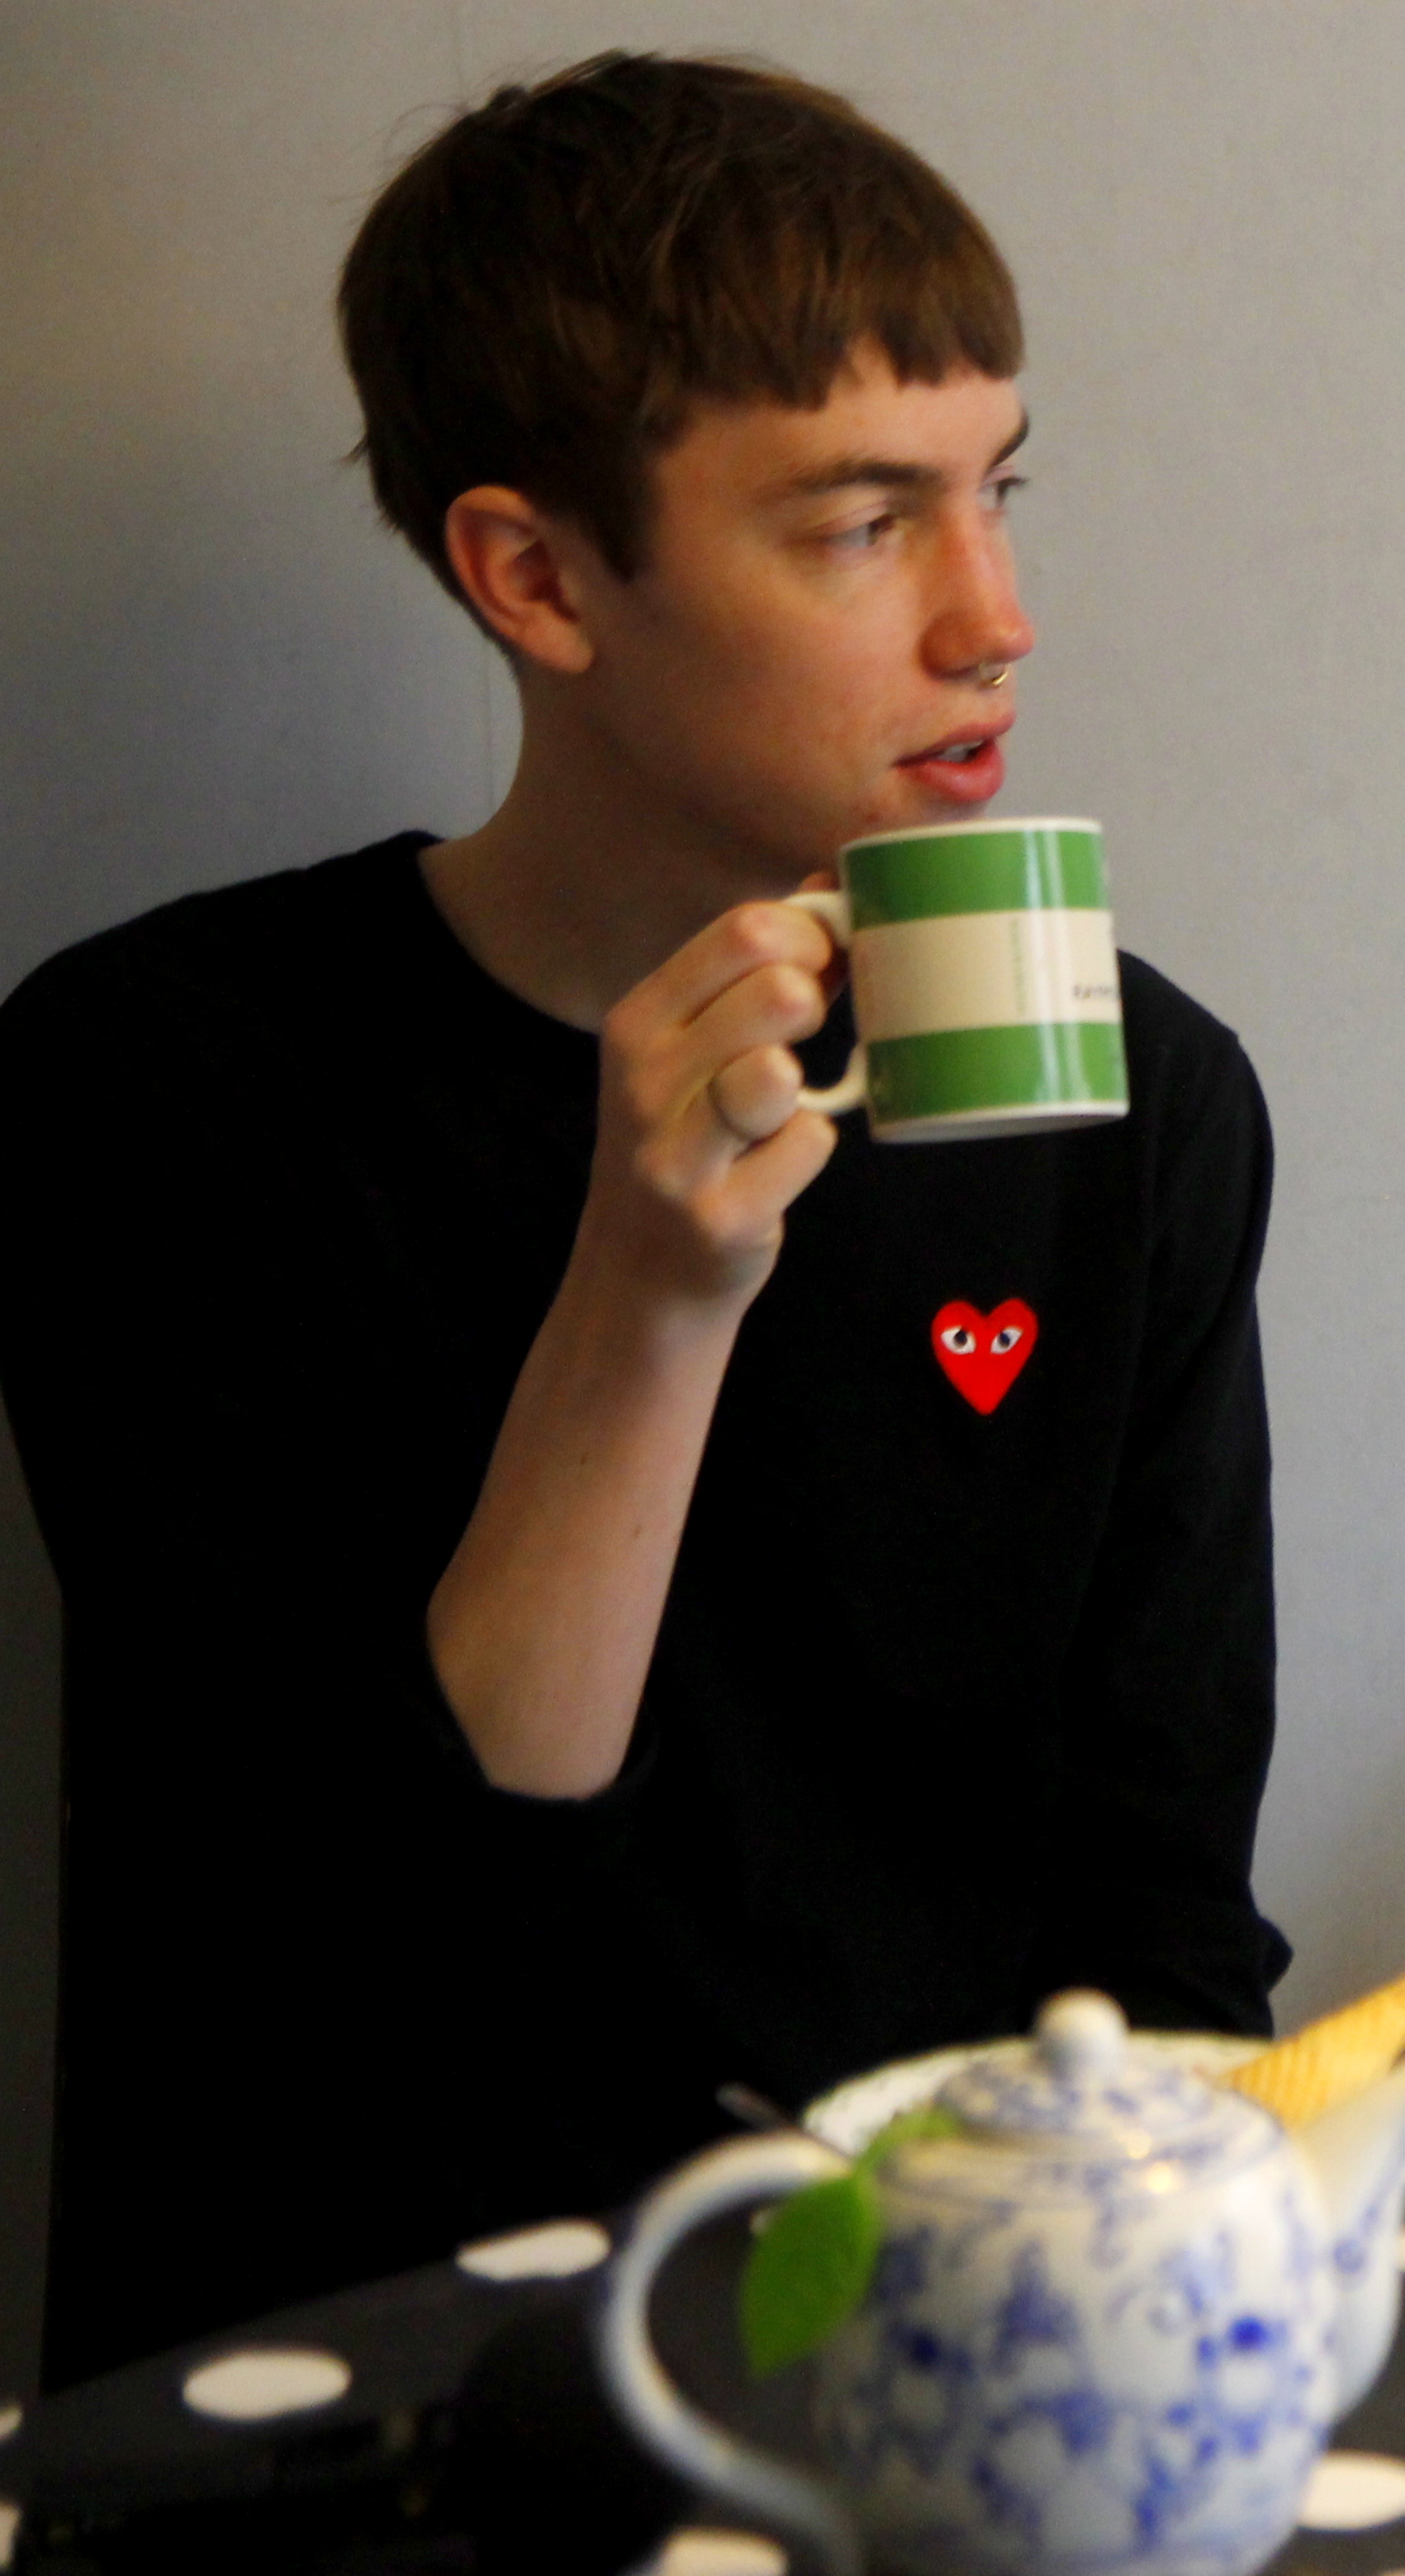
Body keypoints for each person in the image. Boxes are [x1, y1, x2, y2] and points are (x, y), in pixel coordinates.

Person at [0, 54, 1289, 2387]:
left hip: (934, 2363)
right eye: (864, 523)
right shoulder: (156, 1084)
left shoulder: (1140, 1107)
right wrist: (651, 1297)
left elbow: (1160, 1925)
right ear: (536, 575)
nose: (996, 617)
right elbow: (349, 1974)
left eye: (998, 491)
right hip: (352, 2393)